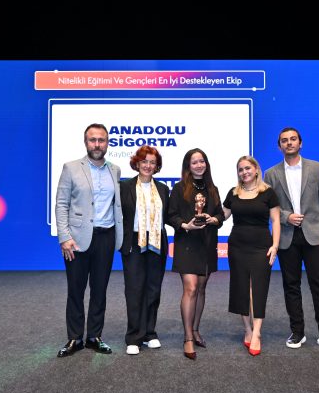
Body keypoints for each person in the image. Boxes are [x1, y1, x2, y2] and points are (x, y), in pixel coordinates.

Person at [264, 127, 319, 352]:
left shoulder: (317, 168)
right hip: (287, 236)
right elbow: (270, 207)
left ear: (300, 143)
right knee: (291, 285)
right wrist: (286, 217)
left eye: (293, 139)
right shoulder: (271, 174)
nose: (289, 143)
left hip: (316, 235)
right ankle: (297, 331)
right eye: (284, 140)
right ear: (279, 146)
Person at [54, 123, 123, 358]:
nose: (97, 144)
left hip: (106, 236)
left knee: (100, 290)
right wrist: (64, 237)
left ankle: (94, 336)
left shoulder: (115, 170)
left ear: (107, 143)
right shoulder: (71, 168)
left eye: (101, 140)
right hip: (77, 239)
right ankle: (75, 338)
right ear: (86, 142)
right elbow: (61, 204)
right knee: (76, 290)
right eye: (93, 140)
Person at [167, 148, 224, 360]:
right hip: (187, 243)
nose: (199, 165)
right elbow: (171, 215)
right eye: (194, 162)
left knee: (201, 288)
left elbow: (220, 215)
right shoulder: (179, 188)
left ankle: (196, 329)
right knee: (190, 288)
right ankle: (188, 337)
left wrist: (213, 219)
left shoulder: (213, 189)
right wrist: (186, 225)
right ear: (188, 166)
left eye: (202, 161)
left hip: (207, 244)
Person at [221, 156, 280, 356]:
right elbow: (223, 215)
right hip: (237, 246)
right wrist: (207, 217)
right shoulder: (233, 193)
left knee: (258, 289)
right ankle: (247, 330)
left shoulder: (268, 192)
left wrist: (275, 246)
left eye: (247, 168)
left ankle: (257, 333)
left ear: (256, 170)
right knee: (241, 289)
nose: (244, 172)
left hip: (262, 247)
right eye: (240, 169)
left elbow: (276, 220)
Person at [119, 146, 170, 355]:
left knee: (153, 289)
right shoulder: (125, 187)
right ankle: (134, 336)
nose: (148, 166)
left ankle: (149, 333)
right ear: (137, 163)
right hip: (134, 241)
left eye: (152, 162)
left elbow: (170, 216)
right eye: (144, 161)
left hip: (157, 242)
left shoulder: (163, 189)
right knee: (134, 289)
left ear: (157, 166)